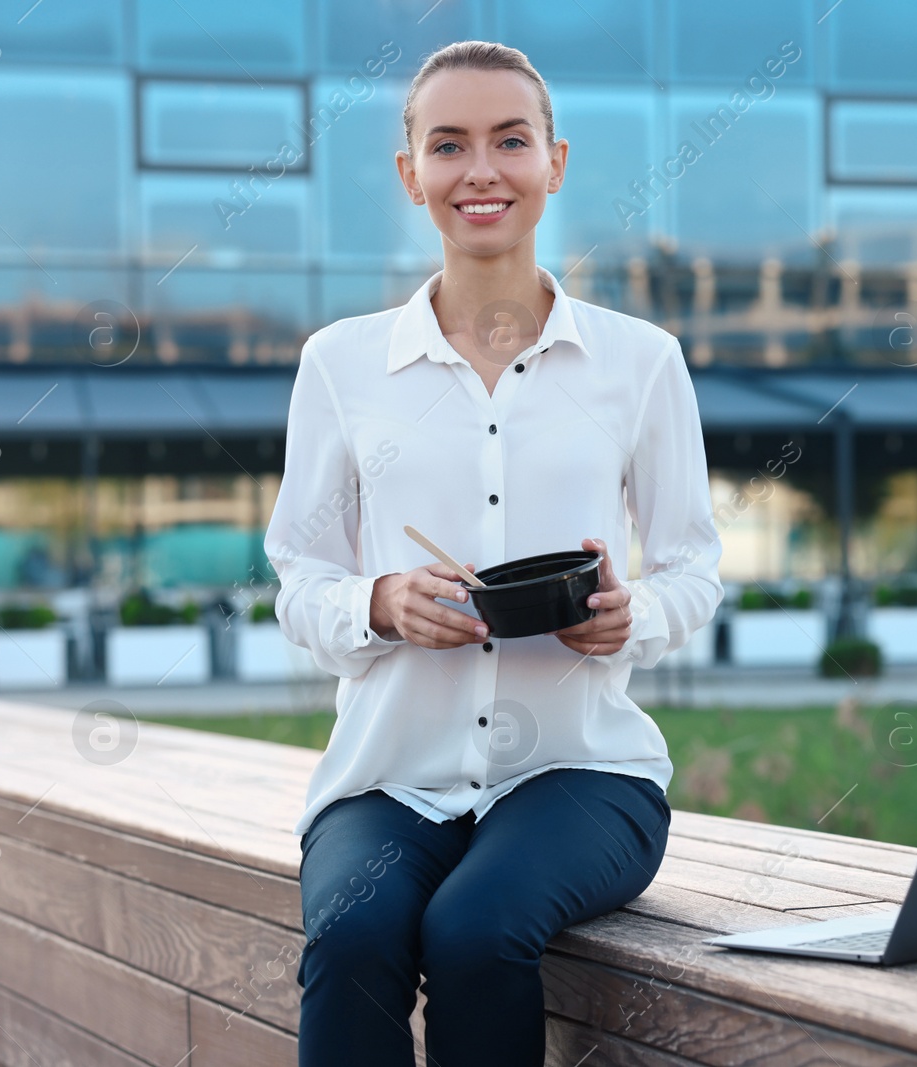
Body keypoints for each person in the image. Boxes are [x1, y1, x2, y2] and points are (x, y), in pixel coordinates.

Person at [262, 40, 723, 1066]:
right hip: (388, 777)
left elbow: (694, 566)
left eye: (510, 141)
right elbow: (298, 578)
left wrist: (628, 615)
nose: (481, 171)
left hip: (580, 770)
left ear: (554, 162)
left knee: (475, 931)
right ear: (408, 173)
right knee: (352, 933)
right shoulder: (339, 364)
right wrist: (377, 601)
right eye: (449, 144)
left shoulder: (641, 362)